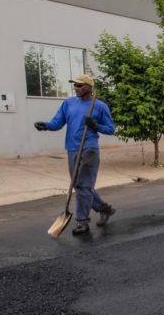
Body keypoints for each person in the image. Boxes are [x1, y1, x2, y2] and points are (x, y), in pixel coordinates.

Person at [35, 74, 117, 235]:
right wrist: (45, 126)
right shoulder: (68, 103)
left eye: (79, 85)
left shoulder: (99, 106)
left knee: (83, 184)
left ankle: (82, 222)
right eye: (75, 85)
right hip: (72, 149)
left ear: (88, 88)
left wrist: (95, 125)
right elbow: (57, 123)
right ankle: (104, 208)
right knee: (79, 185)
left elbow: (110, 129)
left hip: (89, 149)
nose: (76, 88)